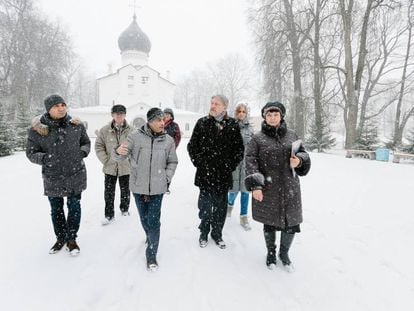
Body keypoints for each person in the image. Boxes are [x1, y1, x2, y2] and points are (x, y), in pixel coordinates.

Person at [245, 101, 310, 270]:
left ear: (281, 116)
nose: (273, 118)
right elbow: (251, 161)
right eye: (269, 115)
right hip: (269, 187)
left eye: (276, 115)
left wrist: (300, 160)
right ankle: (271, 253)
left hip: (290, 187)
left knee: (291, 223)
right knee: (270, 223)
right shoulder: (257, 138)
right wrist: (256, 186)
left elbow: (303, 153)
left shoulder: (292, 135)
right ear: (264, 117)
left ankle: (284, 253)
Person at [114, 107, 178, 271]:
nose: (162, 123)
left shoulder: (168, 140)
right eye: (158, 120)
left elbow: (173, 162)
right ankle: (150, 236)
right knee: (144, 218)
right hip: (138, 186)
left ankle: (151, 254)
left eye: (163, 120)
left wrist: (166, 177)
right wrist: (117, 151)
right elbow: (120, 156)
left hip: (158, 187)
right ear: (149, 121)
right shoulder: (134, 137)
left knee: (154, 221)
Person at [26, 94, 91, 256]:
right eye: (56, 106)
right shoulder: (38, 130)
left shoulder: (76, 125)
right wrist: (47, 159)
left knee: (74, 207)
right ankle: (60, 238)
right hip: (53, 176)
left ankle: (72, 239)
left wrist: (82, 153)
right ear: (49, 109)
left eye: (63, 105)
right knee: (56, 209)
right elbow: (31, 153)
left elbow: (86, 142)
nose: (61, 108)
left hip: (75, 174)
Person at [187, 94, 244, 249]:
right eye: (212, 103)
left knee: (220, 207)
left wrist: (230, 165)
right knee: (204, 206)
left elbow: (239, 150)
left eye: (216, 104)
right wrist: (199, 162)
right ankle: (204, 232)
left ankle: (217, 233)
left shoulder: (232, 124)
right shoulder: (202, 123)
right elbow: (192, 146)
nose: (213, 106)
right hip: (205, 174)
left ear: (225, 107)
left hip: (223, 175)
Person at [95, 104, 135, 225]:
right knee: (109, 192)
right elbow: (99, 146)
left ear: (125, 115)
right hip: (110, 167)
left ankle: (125, 209)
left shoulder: (132, 130)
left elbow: (136, 148)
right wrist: (106, 160)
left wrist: (130, 161)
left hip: (126, 167)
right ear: (112, 115)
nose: (119, 116)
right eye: (117, 113)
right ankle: (109, 214)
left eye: (122, 113)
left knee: (126, 190)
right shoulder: (104, 130)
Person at [227, 103, 255, 231]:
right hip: (234, 164)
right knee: (233, 190)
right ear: (236, 113)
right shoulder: (230, 126)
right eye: (239, 111)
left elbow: (254, 146)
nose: (241, 114)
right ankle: (229, 205)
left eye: (244, 112)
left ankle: (243, 217)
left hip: (246, 164)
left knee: (245, 191)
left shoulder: (250, 129)